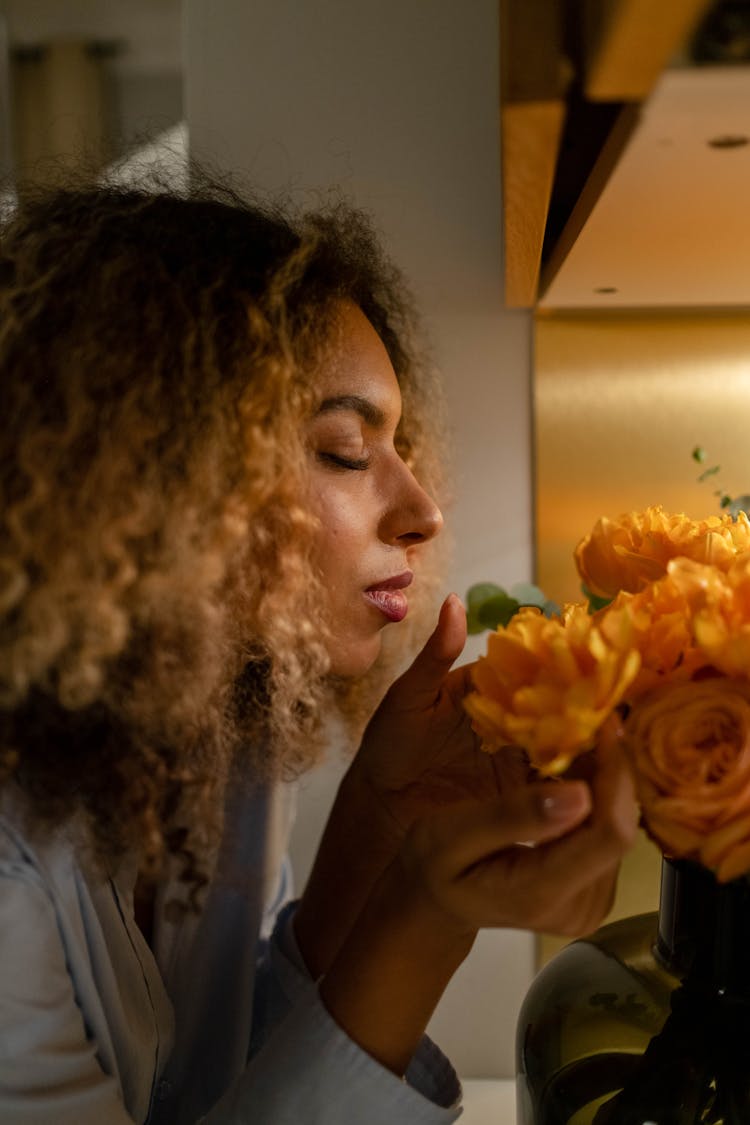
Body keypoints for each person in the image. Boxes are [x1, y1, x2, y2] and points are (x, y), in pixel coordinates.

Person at [0, 175, 637, 1125]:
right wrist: (421, 917)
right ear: (159, 481)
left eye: (403, 446)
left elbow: (213, 1079)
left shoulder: (223, 753)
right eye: (345, 449)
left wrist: (380, 829)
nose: (422, 512)